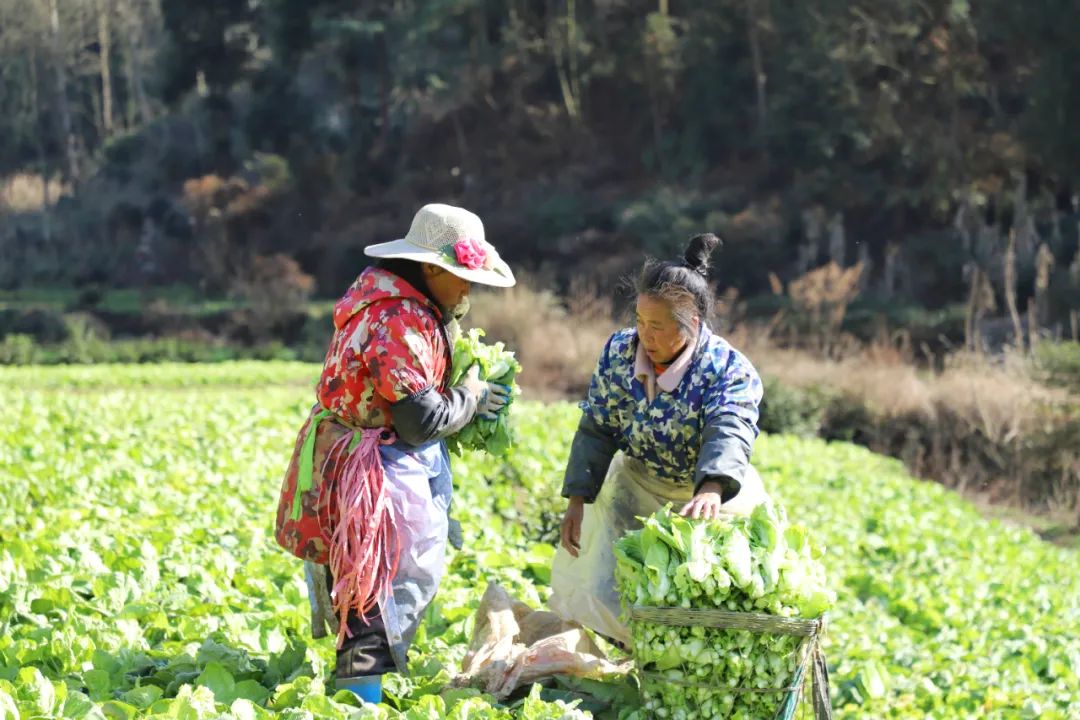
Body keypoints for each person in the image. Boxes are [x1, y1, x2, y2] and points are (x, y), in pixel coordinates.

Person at [274, 203, 515, 704]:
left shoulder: (396, 302)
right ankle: (360, 697)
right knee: (372, 581)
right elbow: (420, 419)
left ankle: (361, 687)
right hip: (373, 466)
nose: (469, 289)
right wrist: (469, 396)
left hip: (369, 453)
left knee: (372, 580)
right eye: (462, 277)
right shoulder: (399, 320)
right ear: (430, 269)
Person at [548, 233, 769, 647]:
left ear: (692, 325)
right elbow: (597, 426)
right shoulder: (618, 352)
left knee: (704, 607)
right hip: (637, 483)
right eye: (640, 321)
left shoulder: (727, 368)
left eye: (657, 326)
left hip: (707, 499)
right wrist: (578, 498)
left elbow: (730, 427)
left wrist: (712, 488)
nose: (644, 335)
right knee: (607, 591)